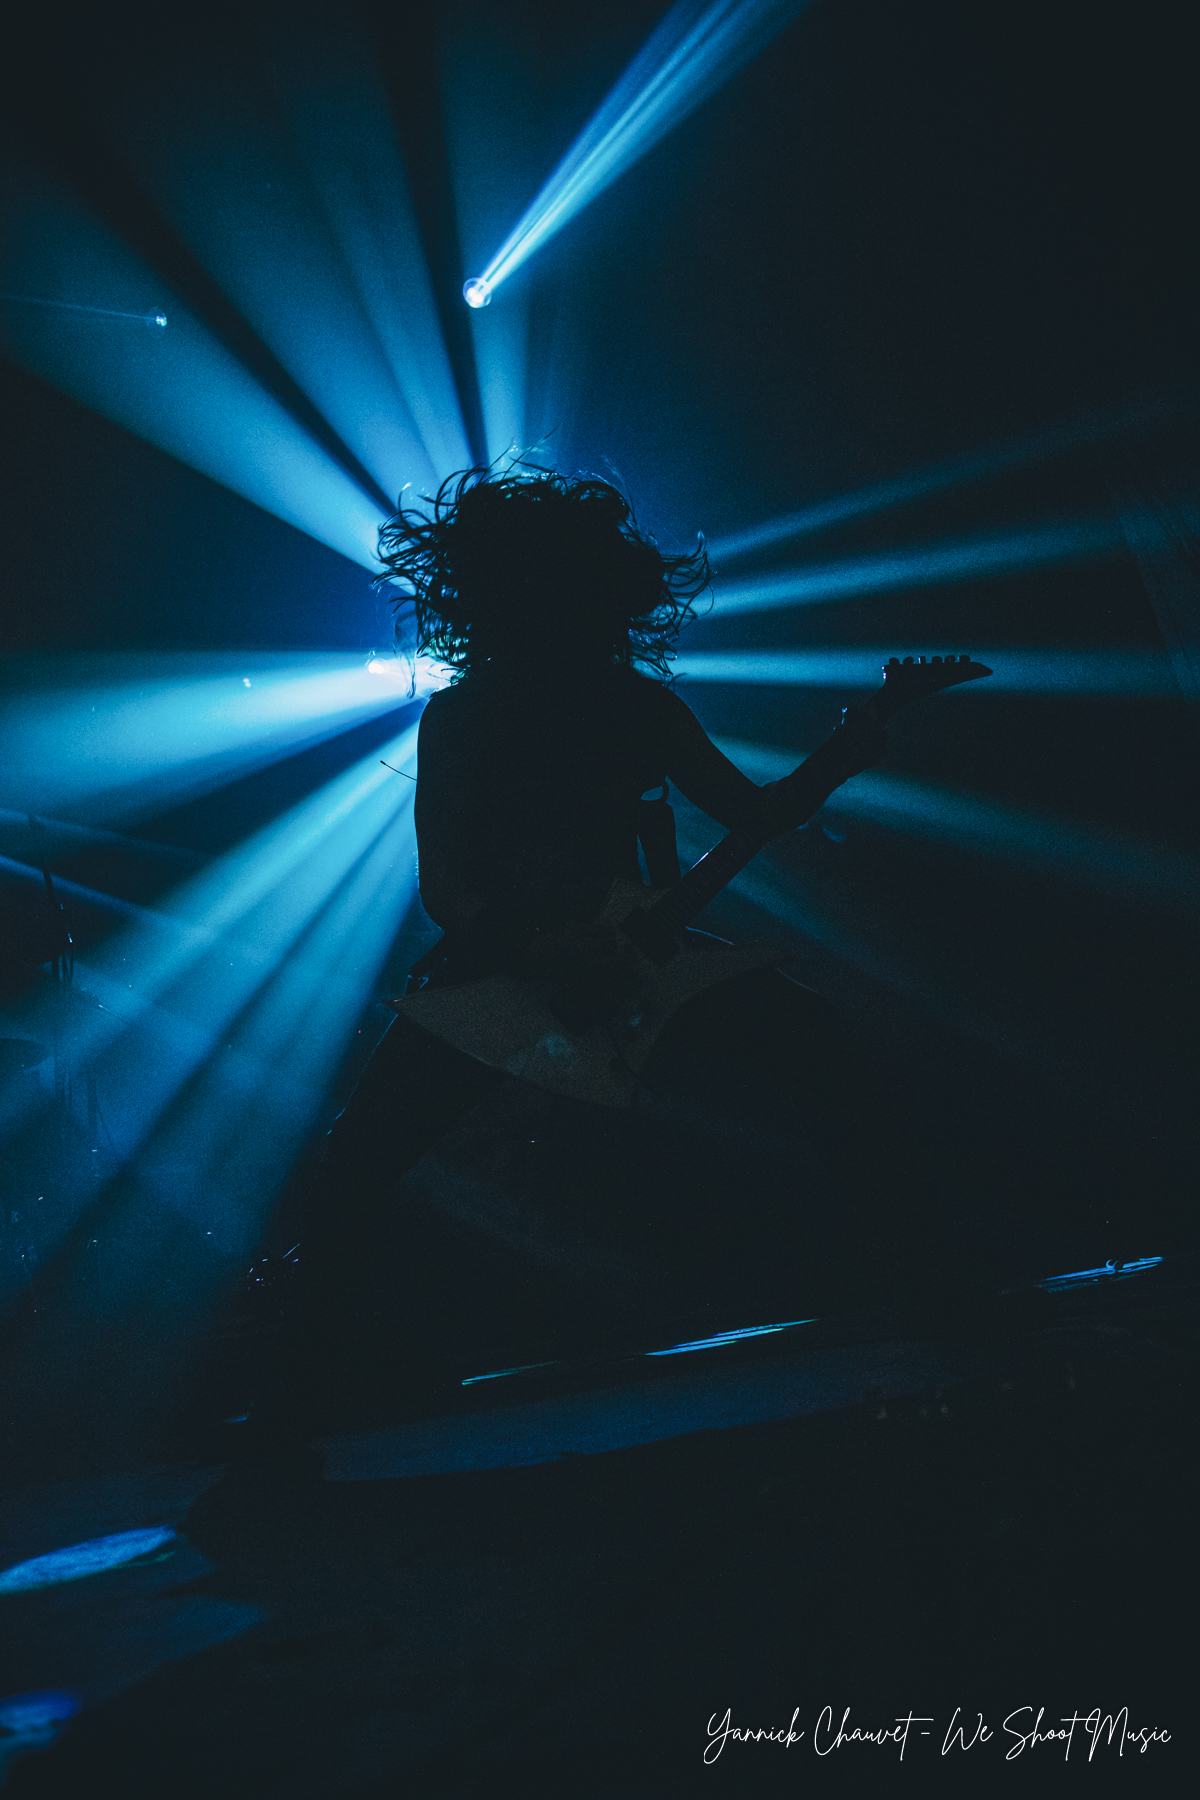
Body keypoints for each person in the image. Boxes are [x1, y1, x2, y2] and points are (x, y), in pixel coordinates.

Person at [262, 465, 901, 1433]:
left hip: (630, 954)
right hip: (501, 969)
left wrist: (855, 745)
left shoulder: (637, 708)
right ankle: (295, 1397)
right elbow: (447, 889)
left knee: (813, 1039)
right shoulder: (466, 716)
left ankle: (924, 1275)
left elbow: (755, 816)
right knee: (353, 1167)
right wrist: (537, 944)